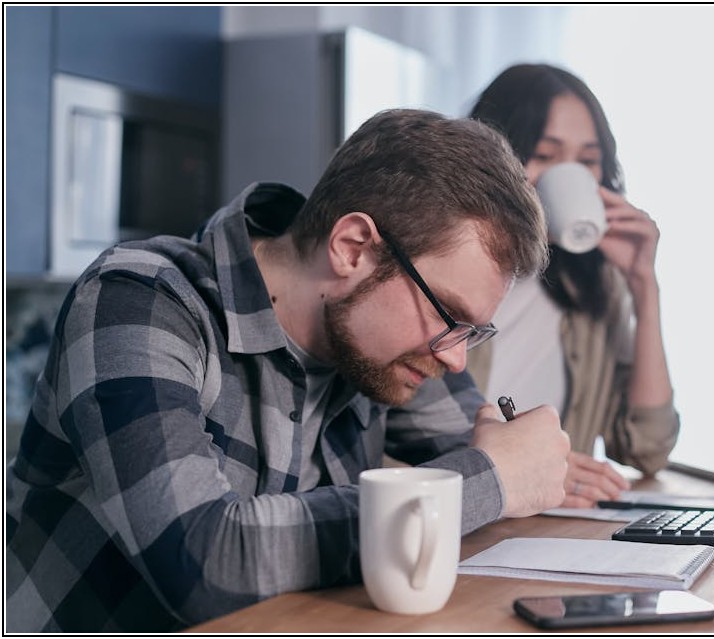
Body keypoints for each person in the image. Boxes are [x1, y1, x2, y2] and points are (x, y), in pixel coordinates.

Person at [5, 109, 570, 633]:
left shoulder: (377, 341)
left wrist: (511, 466)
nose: (456, 358)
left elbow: (482, 454)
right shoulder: (137, 298)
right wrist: (492, 477)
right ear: (352, 248)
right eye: (451, 316)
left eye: (474, 330)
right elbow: (201, 561)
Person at [463, 63, 680, 508]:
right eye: (544, 155)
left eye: (586, 161)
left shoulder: (596, 285)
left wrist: (644, 288)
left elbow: (646, 448)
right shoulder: (447, 272)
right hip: (465, 521)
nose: (570, 177)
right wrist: (515, 477)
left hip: (552, 530)